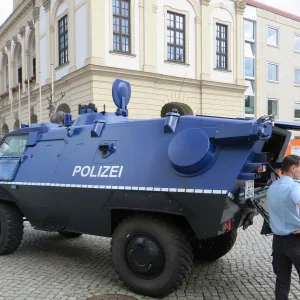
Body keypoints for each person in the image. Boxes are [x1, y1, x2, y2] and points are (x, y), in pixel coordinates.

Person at [267, 154, 300, 300]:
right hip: (296, 242)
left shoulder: (272, 187)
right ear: (293, 168)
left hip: (278, 243)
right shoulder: (295, 187)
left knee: (281, 281)